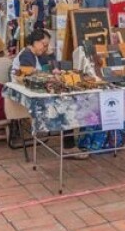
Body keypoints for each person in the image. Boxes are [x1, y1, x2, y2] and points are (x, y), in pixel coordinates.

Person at [12, 29, 87, 159]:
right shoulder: (27, 55)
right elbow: (33, 76)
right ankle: (68, 147)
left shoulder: (36, 54)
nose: (46, 47)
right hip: (27, 97)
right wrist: (52, 75)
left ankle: (70, 142)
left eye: (47, 45)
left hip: (34, 93)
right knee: (66, 105)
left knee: (67, 100)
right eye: (44, 44)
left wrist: (51, 58)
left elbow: (48, 67)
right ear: (34, 42)